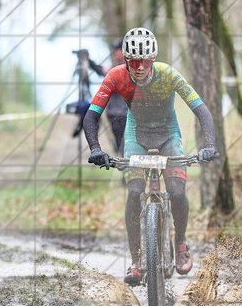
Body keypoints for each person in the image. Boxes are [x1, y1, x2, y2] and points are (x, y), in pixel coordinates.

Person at [82, 27, 218, 285]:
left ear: (153, 59)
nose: (139, 67)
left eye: (144, 61)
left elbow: (201, 110)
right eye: (133, 61)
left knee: (177, 191)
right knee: (134, 192)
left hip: (168, 134)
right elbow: (92, 115)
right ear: (126, 60)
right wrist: (96, 150)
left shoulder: (168, 74)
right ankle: (136, 259)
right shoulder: (116, 76)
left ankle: (180, 243)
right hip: (136, 136)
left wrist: (209, 144)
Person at [70, 48, 106, 138]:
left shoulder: (89, 63)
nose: (85, 58)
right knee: (85, 114)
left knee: (91, 114)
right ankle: (80, 129)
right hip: (84, 96)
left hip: (88, 96)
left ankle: (82, 130)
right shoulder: (80, 66)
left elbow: (100, 72)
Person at [103, 41, 129, 155]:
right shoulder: (112, 69)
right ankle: (126, 169)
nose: (116, 54)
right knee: (120, 144)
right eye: (115, 52)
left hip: (126, 114)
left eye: (118, 51)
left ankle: (128, 168)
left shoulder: (133, 69)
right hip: (114, 114)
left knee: (128, 144)